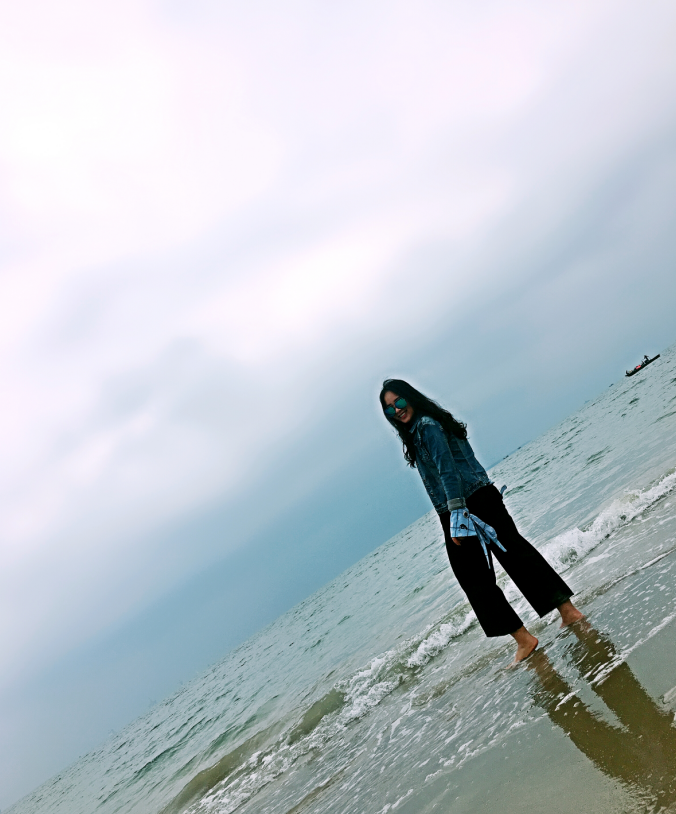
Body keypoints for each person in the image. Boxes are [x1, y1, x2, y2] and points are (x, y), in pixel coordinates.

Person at [379, 379, 584, 664]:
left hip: (463, 505)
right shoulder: (426, 427)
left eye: (399, 402)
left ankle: (526, 639)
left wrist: (455, 515)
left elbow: (448, 471)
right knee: (516, 554)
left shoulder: (426, 427)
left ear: (410, 398)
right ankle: (566, 612)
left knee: (474, 578)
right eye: (389, 409)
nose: (397, 410)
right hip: (481, 497)